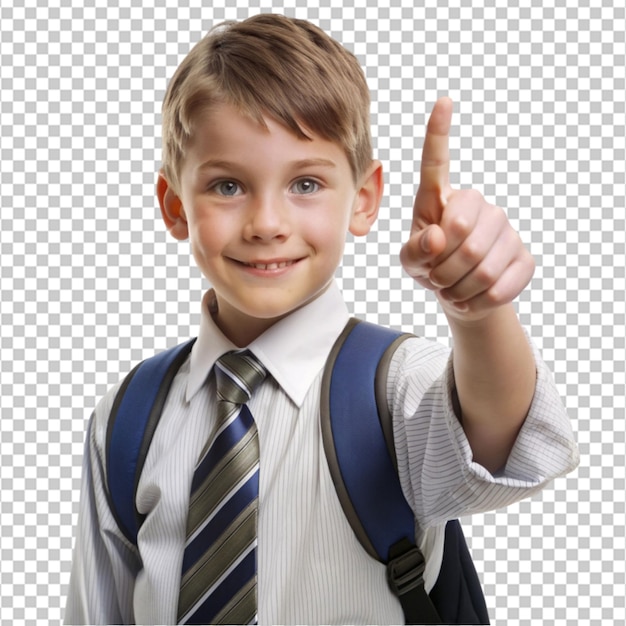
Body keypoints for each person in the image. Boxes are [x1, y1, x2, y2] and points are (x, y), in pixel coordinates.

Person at [64, 13, 578, 625]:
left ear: (363, 200)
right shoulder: (127, 418)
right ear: (175, 206)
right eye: (227, 187)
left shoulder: (394, 386)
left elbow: (501, 444)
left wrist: (479, 312)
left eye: (305, 183)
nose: (266, 223)